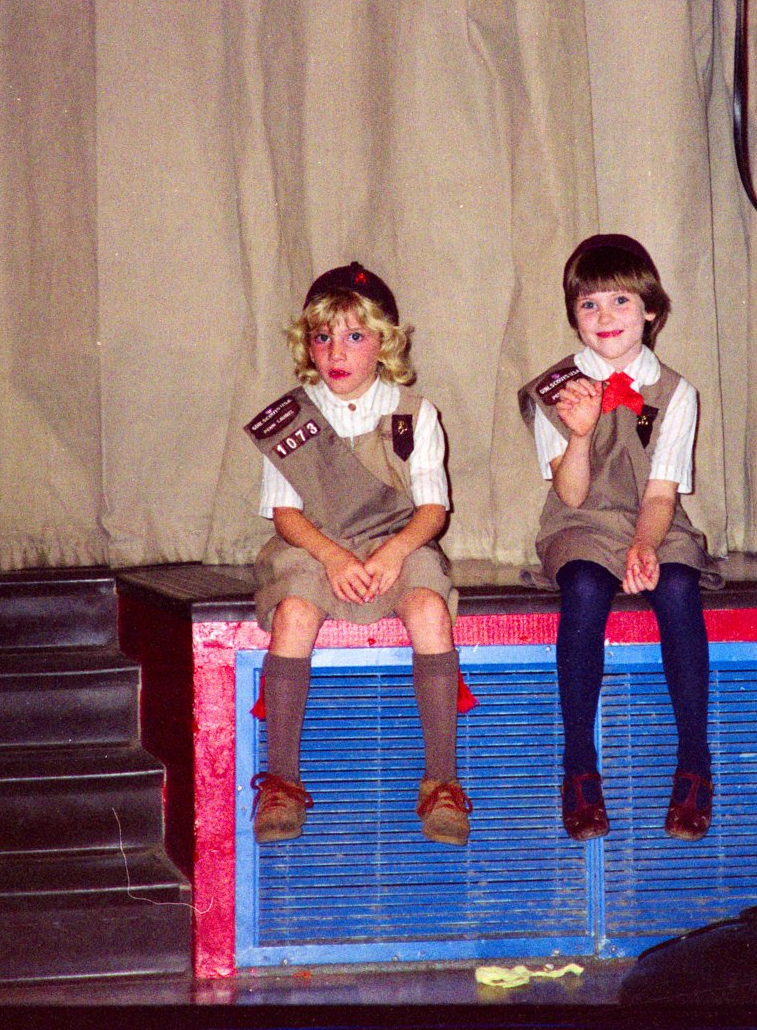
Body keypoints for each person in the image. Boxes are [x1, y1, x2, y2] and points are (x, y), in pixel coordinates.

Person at [243, 262, 471, 846]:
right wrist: (334, 559)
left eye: (354, 336)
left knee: (429, 609)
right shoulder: (292, 416)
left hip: (398, 539)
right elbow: (286, 516)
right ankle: (282, 780)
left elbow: (433, 511)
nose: (336, 352)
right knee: (294, 614)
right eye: (322, 337)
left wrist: (394, 554)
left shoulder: (414, 413)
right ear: (307, 344)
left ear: (385, 343)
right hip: (315, 544)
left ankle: (442, 780)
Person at [518, 234, 720, 843]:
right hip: (581, 523)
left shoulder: (677, 391)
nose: (605, 316)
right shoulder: (553, 388)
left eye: (620, 301)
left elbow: (661, 496)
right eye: (589, 304)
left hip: (655, 520)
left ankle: (694, 761)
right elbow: (572, 495)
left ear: (650, 309)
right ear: (574, 316)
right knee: (583, 586)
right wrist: (579, 434)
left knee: (678, 588)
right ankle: (579, 765)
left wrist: (646, 546)